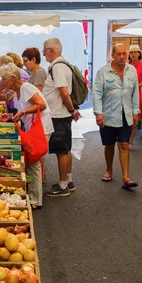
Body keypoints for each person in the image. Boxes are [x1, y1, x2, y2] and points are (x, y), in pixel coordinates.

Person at [0, 63, 53, 209]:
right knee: (31, 161)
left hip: (41, 128)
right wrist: (10, 116)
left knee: (34, 161)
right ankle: (33, 195)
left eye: (4, 80)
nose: (3, 83)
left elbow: (41, 105)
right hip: (33, 128)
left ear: (12, 78)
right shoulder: (17, 92)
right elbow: (22, 110)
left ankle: (36, 200)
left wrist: (23, 113)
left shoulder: (25, 87)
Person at [93, 43, 140, 189]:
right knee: (109, 145)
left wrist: (135, 111)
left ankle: (126, 177)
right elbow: (97, 93)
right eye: (118, 54)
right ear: (112, 56)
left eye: (124, 54)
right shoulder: (103, 72)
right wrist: (98, 113)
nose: (122, 57)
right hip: (108, 114)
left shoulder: (131, 71)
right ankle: (109, 170)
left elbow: (135, 93)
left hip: (125, 114)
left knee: (124, 144)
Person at [42, 38, 80, 197]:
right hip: (62, 114)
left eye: (44, 50)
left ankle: (63, 185)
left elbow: (63, 92)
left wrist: (72, 109)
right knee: (65, 148)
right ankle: (68, 181)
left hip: (58, 114)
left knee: (61, 151)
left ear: (51, 50)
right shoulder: (63, 65)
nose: (43, 53)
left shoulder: (57, 67)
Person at [127, 44, 142, 150]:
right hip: (125, 95)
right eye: (131, 52)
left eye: (135, 52)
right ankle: (124, 139)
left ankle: (130, 142)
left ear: (139, 54)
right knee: (125, 117)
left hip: (137, 95)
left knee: (135, 119)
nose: (133, 54)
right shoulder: (126, 65)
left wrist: (136, 85)